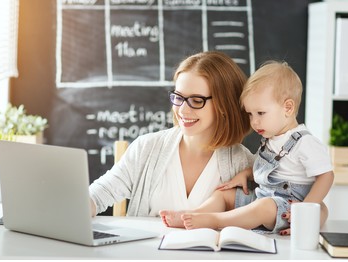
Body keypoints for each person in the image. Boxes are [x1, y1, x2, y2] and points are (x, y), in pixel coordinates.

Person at [160, 60, 334, 235]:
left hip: (286, 206)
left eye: (260, 113)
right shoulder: (271, 139)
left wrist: (306, 210)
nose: (254, 122)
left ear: (288, 108)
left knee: (263, 206)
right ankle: (192, 215)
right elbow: (268, 168)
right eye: (250, 114)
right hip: (263, 197)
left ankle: (214, 220)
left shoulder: (304, 142)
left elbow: (326, 176)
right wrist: (246, 174)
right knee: (224, 195)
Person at [89, 51, 256, 216]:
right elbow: (99, 194)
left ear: (224, 106)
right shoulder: (146, 148)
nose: (182, 110)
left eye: (196, 101)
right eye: (179, 97)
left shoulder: (244, 165)